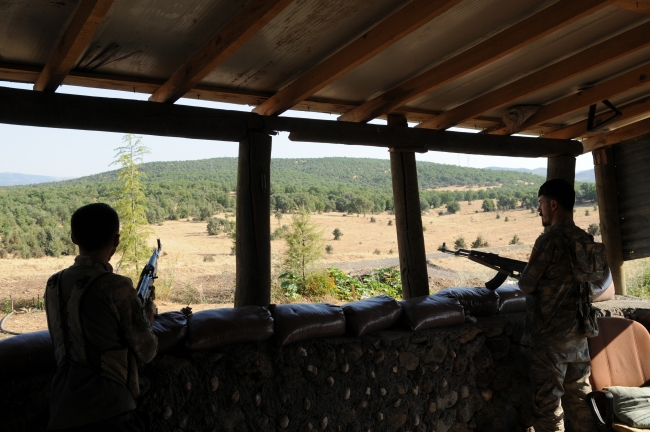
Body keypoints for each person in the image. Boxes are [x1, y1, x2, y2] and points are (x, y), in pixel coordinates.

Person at [44, 203, 158, 431]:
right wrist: (147, 316)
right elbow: (147, 351)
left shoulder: (53, 284)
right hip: (110, 411)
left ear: (74, 238)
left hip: (60, 409)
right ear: (116, 241)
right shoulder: (116, 286)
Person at [519, 178, 603, 432]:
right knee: (579, 398)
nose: (538, 210)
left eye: (541, 203)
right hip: (579, 334)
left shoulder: (549, 240)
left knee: (547, 406)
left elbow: (526, 285)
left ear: (553, 204)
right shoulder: (584, 239)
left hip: (550, 338)